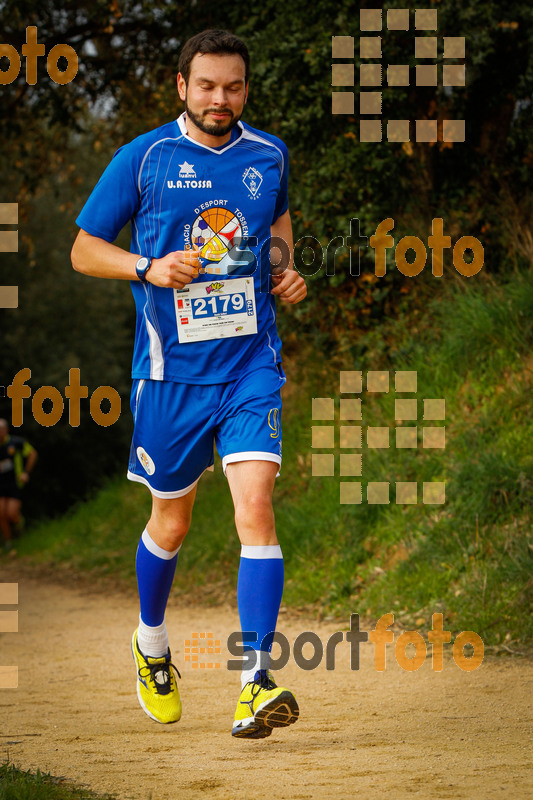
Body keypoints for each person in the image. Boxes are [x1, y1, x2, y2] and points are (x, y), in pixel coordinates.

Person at [71, 29, 306, 739]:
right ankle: (150, 643)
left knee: (256, 507)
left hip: (248, 366)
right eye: (206, 86)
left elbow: (277, 228)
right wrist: (146, 268)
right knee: (171, 522)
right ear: (181, 86)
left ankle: (253, 683)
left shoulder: (267, 155)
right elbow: (83, 250)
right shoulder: (141, 159)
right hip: (170, 375)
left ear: (244, 89)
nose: (220, 99)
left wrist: (283, 270)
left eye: (232, 86)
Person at [0, 418, 38, 547]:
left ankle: (18, 524)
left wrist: (26, 472)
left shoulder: (16, 442)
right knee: (1, 514)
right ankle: (8, 541)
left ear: (6, 430)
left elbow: (32, 453)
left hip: (13, 483)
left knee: (11, 514)